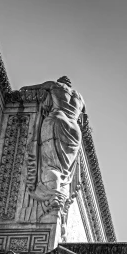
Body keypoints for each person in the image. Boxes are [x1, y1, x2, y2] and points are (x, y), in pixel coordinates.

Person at [20, 77, 86, 207]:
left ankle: (54, 196)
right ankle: (60, 197)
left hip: (57, 120)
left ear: (61, 81)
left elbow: (27, 89)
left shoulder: (55, 85)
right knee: (64, 170)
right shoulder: (80, 98)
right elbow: (84, 118)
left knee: (52, 164)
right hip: (75, 130)